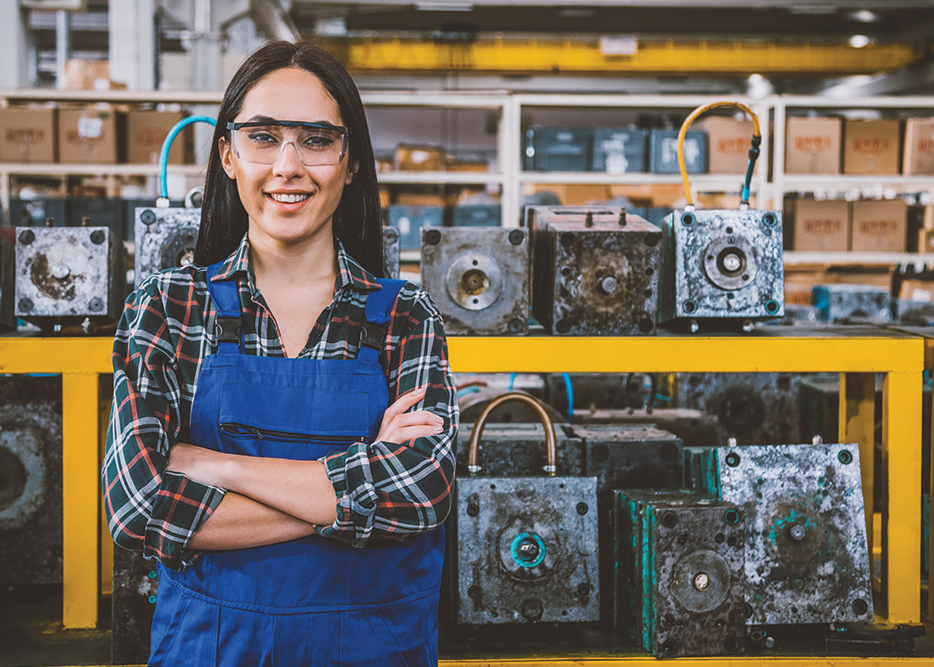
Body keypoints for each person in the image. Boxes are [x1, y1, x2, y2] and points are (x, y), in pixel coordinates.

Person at [102, 39, 458, 667]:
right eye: (264, 137)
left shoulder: (406, 316)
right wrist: (361, 474)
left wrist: (219, 467)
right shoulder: (170, 309)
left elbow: (424, 493)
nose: (289, 166)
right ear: (228, 155)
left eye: (317, 140)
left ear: (349, 164)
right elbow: (139, 509)